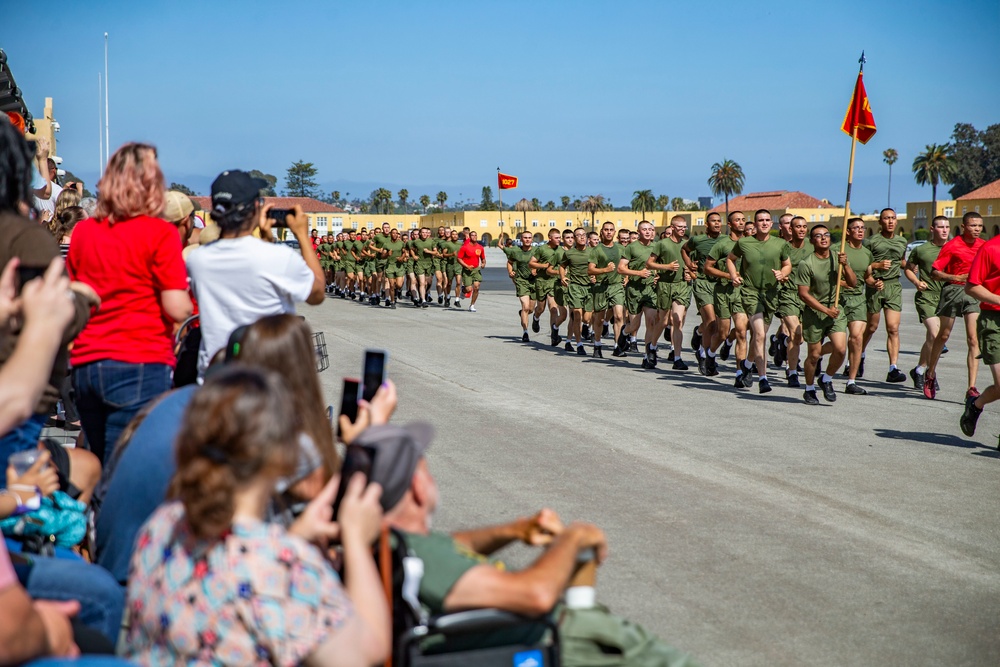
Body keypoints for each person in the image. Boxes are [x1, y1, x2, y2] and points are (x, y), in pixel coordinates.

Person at [360, 422, 700, 667]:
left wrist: (515, 530)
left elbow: (452, 546)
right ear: (418, 488)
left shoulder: (398, 545)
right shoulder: (423, 558)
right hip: (552, 640)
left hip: (542, 632)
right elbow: (535, 595)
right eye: (427, 470)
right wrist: (574, 537)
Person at [123, 366, 390, 666]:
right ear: (284, 457)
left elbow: (238, 566)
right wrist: (355, 540)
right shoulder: (286, 567)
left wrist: (297, 535)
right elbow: (369, 651)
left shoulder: (162, 525)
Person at [66, 143, 193, 465]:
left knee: (98, 459)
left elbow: (74, 293)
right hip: (139, 358)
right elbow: (177, 307)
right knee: (127, 465)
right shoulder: (160, 233)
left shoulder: (83, 232)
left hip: (86, 362)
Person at [186, 170, 324, 377]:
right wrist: (303, 237)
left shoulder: (197, 260)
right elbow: (316, 293)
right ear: (255, 209)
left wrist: (267, 239)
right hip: (267, 379)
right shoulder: (278, 257)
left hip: (216, 378)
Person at [726, 209, 792, 393]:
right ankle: (763, 378)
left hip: (771, 294)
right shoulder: (744, 242)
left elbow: (787, 265)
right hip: (750, 292)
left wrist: (782, 273)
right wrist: (733, 275)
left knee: (757, 336)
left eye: (767, 220)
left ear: (772, 224)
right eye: (760, 220)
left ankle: (747, 364)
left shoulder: (780, 244)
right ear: (754, 224)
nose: (764, 223)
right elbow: (730, 260)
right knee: (760, 335)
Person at [923, 212, 985, 400]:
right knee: (943, 335)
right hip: (952, 291)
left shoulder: (984, 246)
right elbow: (935, 273)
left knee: (973, 339)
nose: (976, 229)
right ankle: (930, 374)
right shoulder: (952, 246)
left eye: (980, 226)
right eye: (973, 225)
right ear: (964, 226)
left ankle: (971, 387)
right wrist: (956, 277)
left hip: (974, 292)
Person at [795, 225, 856, 404]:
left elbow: (852, 283)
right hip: (815, 313)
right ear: (812, 240)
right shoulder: (807, 264)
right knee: (813, 356)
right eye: (818, 236)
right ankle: (809, 389)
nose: (823, 238)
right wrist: (824, 310)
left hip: (836, 309)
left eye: (826, 234)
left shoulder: (839, 259)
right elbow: (803, 294)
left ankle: (826, 379)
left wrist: (845, 266)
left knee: (840, 348)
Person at [860, 208, 908, 383]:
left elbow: (901, 260)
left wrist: (909, 266)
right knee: (871, 327)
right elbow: (863, 265)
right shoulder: (871, 242)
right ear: (879, 222)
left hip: (894, 286)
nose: (890, 221)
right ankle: (859, 356)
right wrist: (877, 265)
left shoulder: (902, 241)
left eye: (893, 218)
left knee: (893, 328)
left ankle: (893, 368)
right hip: (876, 285)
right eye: (886, 218)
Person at [704, 211, 747, 375]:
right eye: (737, 220)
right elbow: (707, 268)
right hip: (723, 291)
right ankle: (710, 354)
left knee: (742, 332)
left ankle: (740, 373)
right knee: (722, 333)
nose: (741, 222)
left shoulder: (750, 243)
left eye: (743, 219)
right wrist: (729, 275)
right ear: (730, 225)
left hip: (742, 293)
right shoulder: (721, 245)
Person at [647, 216, 692, 370]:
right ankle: (652, 347)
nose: (682, 229)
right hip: (665, 285)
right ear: (672, 227)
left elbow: (691, 265)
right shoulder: (662, 244)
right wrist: (666, 267)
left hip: (681, 286)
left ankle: (677, 358)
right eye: (679, 227)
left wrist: (689, 272)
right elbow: (649, 263)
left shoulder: (687, 245)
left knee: (677, 320)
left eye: (684, 227)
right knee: (663, 321)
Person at [840, 218, 876, 395]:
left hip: (858, 300)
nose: (861, 231)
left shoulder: (867, 253)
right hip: (838, 300)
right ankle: (816, 356)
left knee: (856, 339)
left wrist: (874, 283)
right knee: (837, 344)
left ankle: (851, 381)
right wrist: (842, 283)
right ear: (848, 231)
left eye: (863, 228)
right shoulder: (837, 250)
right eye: (856, 228)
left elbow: (867, 277)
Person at [775, 216, 812, 387]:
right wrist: (780, 275)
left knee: (801, 338)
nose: (802, 229)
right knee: (796, 334)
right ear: (791, 229)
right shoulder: (783, 248)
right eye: (798, 226)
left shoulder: (813, 248)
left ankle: (782, 342)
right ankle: (792, 372)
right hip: (788, 294)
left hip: (808, 296)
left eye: (805, 226)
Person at [684, 212, 722, 374]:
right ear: (707, 224)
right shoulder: (697, 240)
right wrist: (689, 265)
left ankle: (699, 332)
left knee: (719, 325)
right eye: (713, 221)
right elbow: (684, 250)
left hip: (721, 285)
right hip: (702, 283)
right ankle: (705, 356)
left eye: (719, 221)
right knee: (712, 322)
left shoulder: (726, 241)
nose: (717, 224)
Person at [619, 221, 658, 363]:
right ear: (638, 231)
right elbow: (621, 268)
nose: (648, 232)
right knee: (634, 325)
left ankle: (648, 355)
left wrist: (658, 275)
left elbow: (659, 265)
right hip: (634, 289)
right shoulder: (631, 247)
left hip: (650, 290)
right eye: (644, 229)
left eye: (650, 229)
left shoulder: (656, 247)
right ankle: (624, 333)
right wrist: (638, 273)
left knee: (651, 321)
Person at [559, 228, 593, 355]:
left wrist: (596, 276)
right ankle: (579, 344)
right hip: (575, 287)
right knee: (576, 316)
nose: (582, 237)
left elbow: (598, 266)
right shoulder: (569, 253)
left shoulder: (593, 252)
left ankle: (569, 339)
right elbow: (562, 266)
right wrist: (563, 277)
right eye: (579, 235)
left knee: (586, 319)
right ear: (574, 238)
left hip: (589, 288)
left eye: (584, 235)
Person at [529, 228, 565, 346]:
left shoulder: (561, 250)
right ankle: (536, 317)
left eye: (560, 237)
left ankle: (554, 335)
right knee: (541, 308)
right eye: (556, 238)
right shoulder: (542, 249)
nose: (559, 240)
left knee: (553, 308)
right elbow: (531, 263)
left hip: (554, 281)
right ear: (550, 238)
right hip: (541, 281)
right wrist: (544, 265)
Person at [504, 231, 537, 342]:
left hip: (534, 282)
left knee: (531, 309)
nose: (527, 239)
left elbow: (544, 263)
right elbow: (509, 262)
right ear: (521, 240)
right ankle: (525, 332)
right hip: (521, 280)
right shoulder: (515, 251)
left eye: (529, 237)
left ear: (532, 239)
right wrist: (510, 271)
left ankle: (524, 314)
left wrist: (536, 269)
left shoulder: (537, 251)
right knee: (526, 307)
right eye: (525, 238)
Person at [456, 230, 486, 312]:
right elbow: (459, 258)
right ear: (469, 237)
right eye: (472, 235)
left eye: (475, 235)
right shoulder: (465, 247)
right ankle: (463, 290)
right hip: (467, 270)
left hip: (476, 270)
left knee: (476, 287)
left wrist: (483, 263)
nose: (474, 237)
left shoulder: (480, 247)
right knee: (469, 289)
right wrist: (466, 266)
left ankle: (472, 305)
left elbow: (483, 258)